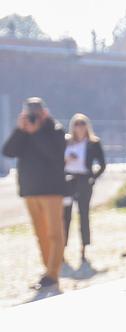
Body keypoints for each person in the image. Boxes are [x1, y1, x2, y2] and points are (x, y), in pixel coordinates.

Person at [3, 97, 67, 292]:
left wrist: (37, 132)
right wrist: (19, 130)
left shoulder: (55, 130)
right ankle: (47, 271)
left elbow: (54, 155)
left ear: (44, 113)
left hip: (51, 190)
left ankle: (53, 274)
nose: (33, 116)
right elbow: (8, 151)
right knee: (41, 234)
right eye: (29, 112)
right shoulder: (23, 131)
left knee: (54, 233)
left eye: (36, 112)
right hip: (30, 190)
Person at [62, 114, 107, 266]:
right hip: (67, 181)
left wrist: (93, 178)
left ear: (86, 126)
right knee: (65, 216)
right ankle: (62, 248)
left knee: (84, 215)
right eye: (77, 124)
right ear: (73, 127)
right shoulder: (66, 142)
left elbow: (102, 164)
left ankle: (83, 248)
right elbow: (57, 160)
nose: (80, 128)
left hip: (83, 181)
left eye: (82, 125)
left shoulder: (93, 143)